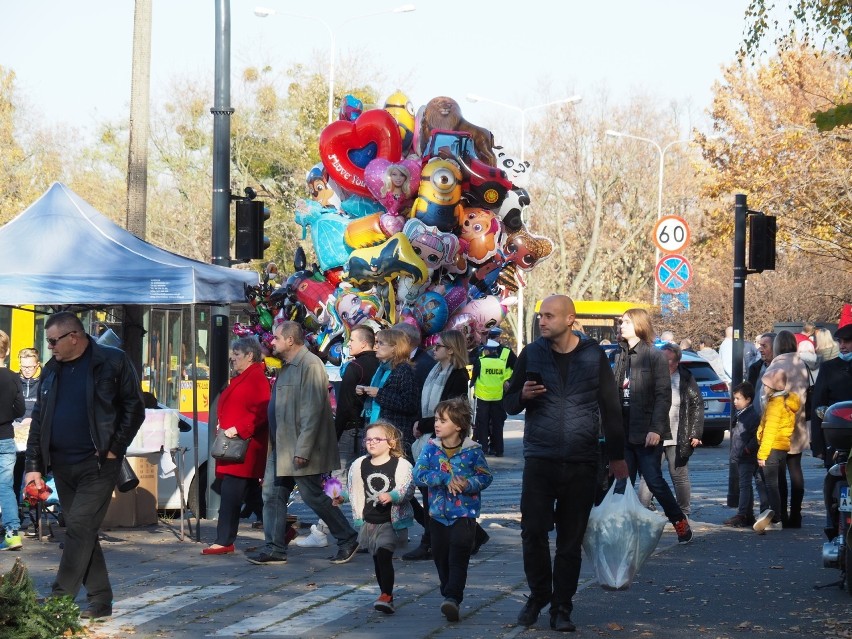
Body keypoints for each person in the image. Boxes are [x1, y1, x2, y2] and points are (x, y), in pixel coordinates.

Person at [504, 295, 628, 632]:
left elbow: (611, 406)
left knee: (570, 542)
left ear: (570, 319)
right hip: (540, 457)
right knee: (532, 531)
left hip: (581, 460)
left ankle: (562, 607)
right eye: (541, 315)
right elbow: (509, 403)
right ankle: (539, 593)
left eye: (550, 316)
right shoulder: (532, 353)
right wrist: (522, 397)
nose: (542, 321)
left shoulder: (593, 355)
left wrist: (617, 457)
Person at [24, 312, 145, 618]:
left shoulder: (112, 361)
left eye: (53, 341)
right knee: (83, 530)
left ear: (73, 337)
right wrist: (34, 465)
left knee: (78, 527)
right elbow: (39, 418)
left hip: (98, 463)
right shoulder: (52, 369)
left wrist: (115, 449)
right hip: (61, 465)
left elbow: (134, 408)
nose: (49, 346)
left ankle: (60, 597)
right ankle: (101, 600)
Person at [247, 321, 359, 566]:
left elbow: (313, 412)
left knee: (313, 496)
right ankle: (275, 548)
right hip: (282, 446)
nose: (271, 342)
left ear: (290, 340)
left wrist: (303, 449)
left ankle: (347, 537)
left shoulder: (310, 365)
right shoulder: (287, 366)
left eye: (276, 338)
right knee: (272, 495)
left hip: (300, 448)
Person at [614, 309, 693, 542]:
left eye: (626, 322)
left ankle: (679, 522)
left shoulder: (654, 356)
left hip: (647, 431)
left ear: (638, 325)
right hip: (624, 431)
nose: (621, 326)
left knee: (655, 481)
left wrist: (657, 429)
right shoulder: (620, 356)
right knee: (622, 484)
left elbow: (663, 395)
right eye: (621, 323)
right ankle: (622, 530)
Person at [413, 397, 492, 623]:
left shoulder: (473, 450)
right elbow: (419, 474)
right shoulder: (431, 448)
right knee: (440, 555)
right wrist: (444, 478)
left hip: (464, 514)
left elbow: (485, 476)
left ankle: (453, 598)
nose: (436, 424)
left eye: (442, 420)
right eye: (437, 419)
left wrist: (468, 484)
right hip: (437, 514)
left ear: (458, 425)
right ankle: (448, 590)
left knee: (459, 554)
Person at [405, 329, 476, 561]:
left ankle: (430, 542)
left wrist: (422, 423)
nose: (434, 349)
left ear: (451, 350)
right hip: (429, 434)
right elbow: (424, 402)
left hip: (444, 440)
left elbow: (450, 410)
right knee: (433, 490)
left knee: (434, 492)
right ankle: (467, 536)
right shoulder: (436, 371)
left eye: (439, 346)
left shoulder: (456, 375)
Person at [336, 421, 415, 615]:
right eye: (368, 439)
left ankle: (386, 595)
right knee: (377, 561)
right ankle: (384, 593)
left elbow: (408, 489)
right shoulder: (359, 464)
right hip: (368, 522)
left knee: (384, 555)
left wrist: (393, 496)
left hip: (390, 521)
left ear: (391, 443)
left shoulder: (401, 465)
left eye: (377, 439)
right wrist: (342, 497)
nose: (371, 443)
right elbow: (355, 490)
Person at [203, 338, 270, 555]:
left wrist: (239, 429)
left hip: (244, 448)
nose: (232, 358)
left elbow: (262, 412)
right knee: (252, 496)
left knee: (230, 494)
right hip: (236, 446)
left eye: (237, 354)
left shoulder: (256, 378)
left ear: (249, 356)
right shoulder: (244, 377)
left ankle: (224, 540)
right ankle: (282, 529)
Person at [637, 342, 703, 517]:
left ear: (676, 362)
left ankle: (683, 512)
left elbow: (696, 405)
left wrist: (695, 432)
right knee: (648, 474)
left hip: (677, 434)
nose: (663, 362)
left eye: (667, 359)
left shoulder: (685, 378)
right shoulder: (651, 377)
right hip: (654, 434)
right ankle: (642, 510)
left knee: (679, 475)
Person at [763, 330, 812, 528]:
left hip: (779, 423)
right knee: (796, 470)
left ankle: (781, 513)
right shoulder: (802, 364)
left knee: (779, 473)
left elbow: (764, 397)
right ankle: (796, 515)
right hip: (798, 422)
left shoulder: (777, 364)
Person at [811, 324, 852, 538]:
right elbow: (818, 404)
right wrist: (817, 444)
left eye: (847, 341)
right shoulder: (828, 368)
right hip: (836, 438)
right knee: (833, 483)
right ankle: (832, 525)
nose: (843, 346)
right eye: (840, 342)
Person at [754, 368, 800, 534]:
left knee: (771, 484)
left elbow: (770, 432)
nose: (763, 387)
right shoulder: (787, 401)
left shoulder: (775, 404)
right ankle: (780, 517)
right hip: (782, 447)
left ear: (771, 387)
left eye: (765, 385)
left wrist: (762, 454)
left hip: (772, 447)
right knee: (779, 483)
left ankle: (776, 519)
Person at [334, 326, 380, 469]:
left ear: (364, 343)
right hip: (376, 430)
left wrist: (336, 433)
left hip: (352, 431)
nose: (348, 344)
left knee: (341, 477)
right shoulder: (382, 365)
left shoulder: (355, 366)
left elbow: (345, 405)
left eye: (352, 340)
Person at [724, 382, 768, 527]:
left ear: (748, 399)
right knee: (748, 484)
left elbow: (756, 436)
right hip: (743, 454)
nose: (735, 401)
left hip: (747, 456)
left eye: (738, 398)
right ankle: (747, 514)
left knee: (745, 485)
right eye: (734, 398)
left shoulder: (750, 415)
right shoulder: (742, 413)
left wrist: (747, 449)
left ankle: (743, 514)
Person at [471, 335, 517, 457]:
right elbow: (508, 373)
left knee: (483, 423)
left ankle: (484, 448)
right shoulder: (501, 362)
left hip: (483, 396)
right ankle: (499, 449)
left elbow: (474, 377)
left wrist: (472, 385)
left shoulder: (481, 359)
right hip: (498, 395)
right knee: (497, 424)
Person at [0, 331, 25, 551]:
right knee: (6, 487)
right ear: (7, 351)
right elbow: (21, 409)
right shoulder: (13, 377)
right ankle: (13, 533)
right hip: (6, 437)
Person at [748, 332, 776, 414]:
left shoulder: (781, 369)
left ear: (775, 348)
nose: (760, 349)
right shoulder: (755, 368)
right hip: (755, 418)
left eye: (764, 346)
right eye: (760, 346)